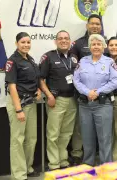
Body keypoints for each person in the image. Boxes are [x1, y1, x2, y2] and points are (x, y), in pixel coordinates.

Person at [73, 34, 117, 166]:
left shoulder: (109, 62)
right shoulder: (82, 62)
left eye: (99, 44)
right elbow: (76, 80)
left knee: (105, 138)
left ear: (104, 46)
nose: (96, 46)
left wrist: (98, 92)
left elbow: (115, 81)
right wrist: (87, 92)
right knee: (87, 137)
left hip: (103, 105)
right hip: (85, 105)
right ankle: (88, 164)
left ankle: (106, 166)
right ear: (89, 47)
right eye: (93, 44)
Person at [69, 13, 107, 166]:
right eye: (92, 23)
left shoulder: (106, 42)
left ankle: (98, 156)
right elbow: (74, 68)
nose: (95, 26)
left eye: (98, 24)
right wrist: (85, 90)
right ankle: (78, 154)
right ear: (87, 26)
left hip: (102, 95)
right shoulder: (78, 44)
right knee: (80, 127)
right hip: (83, 94)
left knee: (101, 128)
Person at [39, 30, 78, 170]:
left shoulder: (74, 57)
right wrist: (49, 96)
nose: (63, 41)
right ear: (55, 41)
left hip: (72, 99)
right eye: (60, 39)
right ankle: (54, 164)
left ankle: (63, 160)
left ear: (70, 41)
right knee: (53, 134)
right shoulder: (48, 57)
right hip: (56, 100)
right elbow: (40, 79)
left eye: (66, 38)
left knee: (66, 133)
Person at [5, 32, 41, 180]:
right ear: (16, 44)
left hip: (31, 102)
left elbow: (34, 80)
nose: (26, 45)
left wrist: (38, 90)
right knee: (18, 139)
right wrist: (18, 109)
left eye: (28, 42)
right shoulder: (13, 61)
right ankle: (19, 175)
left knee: (31, 138)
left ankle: (27, 167)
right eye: (23, 42)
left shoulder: (30, 59)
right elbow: (11, 86)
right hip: (18, 103)